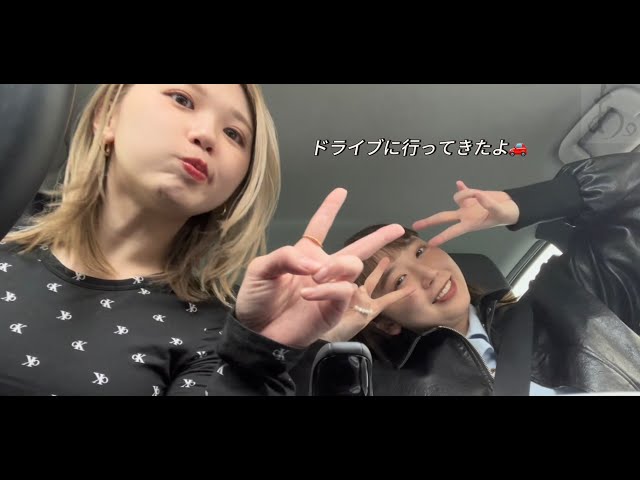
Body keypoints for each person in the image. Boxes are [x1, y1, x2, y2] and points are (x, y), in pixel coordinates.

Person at [0, 84, 404, 396]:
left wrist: (260, 354)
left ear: (237, 184)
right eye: (182, 99)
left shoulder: (218, 337)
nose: (207, 135)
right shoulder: (6, 224)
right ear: (108, 116)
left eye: (234, 134)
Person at [298, 153, 640, 395]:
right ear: (387, 323)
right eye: (399, 280)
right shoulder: (383, 385)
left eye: (420, 251)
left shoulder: (562, 300)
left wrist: (525, 204)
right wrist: (321, 343)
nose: (428, 274)